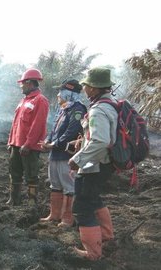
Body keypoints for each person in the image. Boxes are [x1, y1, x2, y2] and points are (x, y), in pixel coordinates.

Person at [68, 67, 117, 260]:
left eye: (87, 85)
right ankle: (106, 236)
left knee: (82, 206)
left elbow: (100, 141)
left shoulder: (98, 110)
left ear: (95, 89)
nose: (84, 87)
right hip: (103, 163)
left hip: (94, 165)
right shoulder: (110, 105)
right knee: (94, 198)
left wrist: (77, 159)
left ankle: (93, 253)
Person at [40, 79, 86, 227]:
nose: (58, 95)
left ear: (69, 93)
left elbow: (71, 132)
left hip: (67, 154)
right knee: (55, 184)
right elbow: (54, 130)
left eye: (61, 92)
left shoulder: (78, 109)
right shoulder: (63, 109)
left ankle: (67, 218)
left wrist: (54, 144)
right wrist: (47, 141)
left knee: (68, 185)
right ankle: (54, 215)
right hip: (55, 153)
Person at [7, 68, 49, 206]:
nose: (21, 86)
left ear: (30, 83)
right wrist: (11, 142)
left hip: (28, 147)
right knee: (15, 172)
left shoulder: (40, 101)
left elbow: (37, 125)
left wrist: (28, 144)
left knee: (31, 175)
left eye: (23, 83)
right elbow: (16, 123)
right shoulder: (23, 101)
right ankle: (14, 199)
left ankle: (32, 202)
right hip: (16, 144)